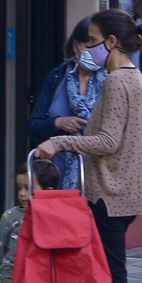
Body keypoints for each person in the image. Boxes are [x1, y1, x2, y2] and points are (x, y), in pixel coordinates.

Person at [33, 9, 142, 283]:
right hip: (126, 192)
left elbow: (108, 142)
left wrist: (59, 141)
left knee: (111, 279)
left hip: (111, 192)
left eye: (94, 41)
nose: (89, 49)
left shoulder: (118, 81)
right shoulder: (137, 78)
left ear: (112, 42)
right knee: (113, 276)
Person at [26, 18, 106, 191]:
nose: (93, 52)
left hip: (100, 179)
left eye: (98, 47)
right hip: (57, 178)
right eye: (88, 45)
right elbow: (33, 127)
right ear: (75, 46)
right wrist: (57, 123)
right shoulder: (57, 76)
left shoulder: (110, 79)